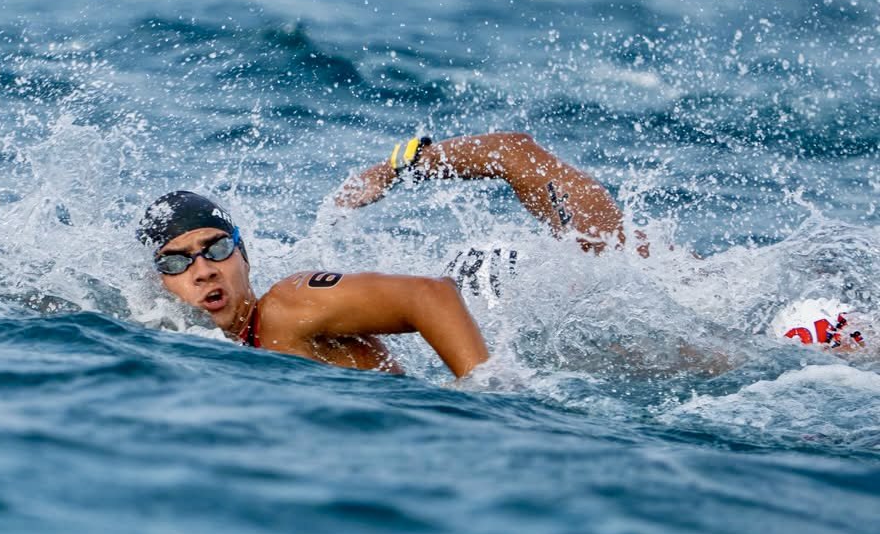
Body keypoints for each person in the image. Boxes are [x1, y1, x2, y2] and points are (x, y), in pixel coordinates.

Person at [336, 132, 867, 351]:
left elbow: (515, 153)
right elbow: (515, 152)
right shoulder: (615, 249)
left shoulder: (598, 286)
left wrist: (394, 168)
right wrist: (395, 166)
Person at [137, 190, 490, 378]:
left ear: (243, 257)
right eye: (175, 262)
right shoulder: (216, 351)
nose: (203, 270)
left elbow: (429, 294)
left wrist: (484, 393)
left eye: (217, 248)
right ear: (159, 284)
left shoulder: (287, 307)